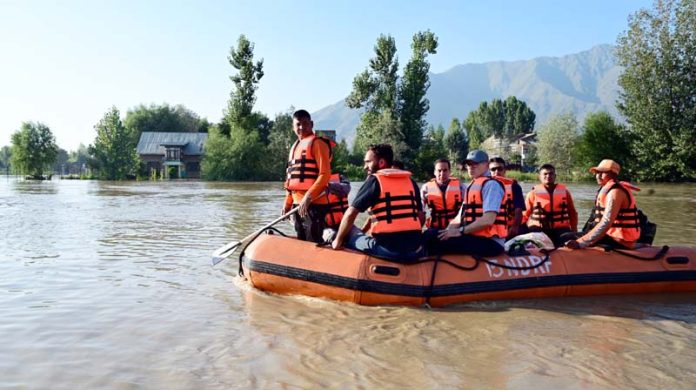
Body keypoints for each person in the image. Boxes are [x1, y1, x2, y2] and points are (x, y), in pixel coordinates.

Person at [331, 144, 425, 262]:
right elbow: (421, 216)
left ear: (381, 163)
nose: (365, 167)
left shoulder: (375, 180)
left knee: (351, 235)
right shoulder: (411, 181)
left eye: (368, 162)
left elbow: (350, 213)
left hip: (387, 250)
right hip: (415, 249)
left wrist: (338, 240)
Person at [430, 149, 507, 257]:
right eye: (468, 164)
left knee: (432, 239)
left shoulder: (491, 185)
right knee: (431, 234)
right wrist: (447, 232)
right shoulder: (472, 186)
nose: (471, 167)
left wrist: (460, 231)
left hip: (491, 242)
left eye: (475, 164)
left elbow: (488, 220)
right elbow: (459, 218)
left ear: (486, 165)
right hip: (474, 237)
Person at [565, 159, 641, 250]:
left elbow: (606, 222)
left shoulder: (615, 192)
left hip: (619, 240)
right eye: (597, 172)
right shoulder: (606, 189)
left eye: (603, 173)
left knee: (564, 238)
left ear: (613, 174)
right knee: (565, 236)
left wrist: (581, 242)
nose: (598, 176)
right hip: (608, 235)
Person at [283, 109, 333, 243]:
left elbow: (325, 174)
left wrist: (308, 196)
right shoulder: (294, 147)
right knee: (301, 241)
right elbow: (291, 181)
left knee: (313, 241)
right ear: (293, 127)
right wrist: (287, 204)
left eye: (305, 124)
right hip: (297, 204)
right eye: (298, 124)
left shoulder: (318, 143)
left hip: (314, 204)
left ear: (311, 124)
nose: (302, 127)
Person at [523, 164, 578, 247]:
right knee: (532, 244)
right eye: (545, 174)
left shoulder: (565, 193)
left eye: (551, 174)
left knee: (570, 242)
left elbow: (572, 213)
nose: (548, 176)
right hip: (539, 229)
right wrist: (521, 230)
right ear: (540, 176)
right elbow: (525, 214)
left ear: (555, 176)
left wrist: (574, 231)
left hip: (561, 229)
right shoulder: (532, 194)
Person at [421, 158, 464, 230]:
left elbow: (467, 207)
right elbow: (420, 209)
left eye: (445, 170)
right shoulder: (426, 188)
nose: (442, 173)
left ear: (449, 171)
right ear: (434, 172)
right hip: (435, 228)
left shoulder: (460, 186)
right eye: (439, 170)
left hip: (456, 228)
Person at [488, 156, 525, 239]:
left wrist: (515, 227)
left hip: (509, 226)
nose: (496, 172)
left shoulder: (514, 187)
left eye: (500, 169)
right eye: (493, 169)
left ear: (504, 170)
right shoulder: (484, 186)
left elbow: (518, 210)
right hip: (490, 228)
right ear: (489, 171)